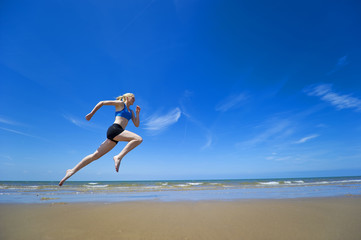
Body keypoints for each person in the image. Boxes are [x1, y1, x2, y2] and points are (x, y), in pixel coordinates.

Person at [59, 93, 142, 186]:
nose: (134, 100)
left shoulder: (131, 112)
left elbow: (137, 124)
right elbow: (102, 102)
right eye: (133, 98)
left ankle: (71, 171)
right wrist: (91, 114)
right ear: (127, 97)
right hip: (115, 130)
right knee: (138, 139)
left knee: (95, 156)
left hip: (116, 137)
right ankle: (118, 157)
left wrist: (138, 113)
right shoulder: (120, 104)